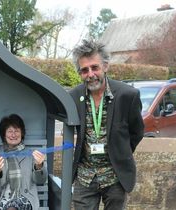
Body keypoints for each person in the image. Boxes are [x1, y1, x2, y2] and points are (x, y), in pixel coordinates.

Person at [69, 40, 144, 210]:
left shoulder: (128, 95)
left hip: (115, 175)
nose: (90, 74)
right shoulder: (73, 96)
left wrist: (120, 151)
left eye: (94, 67)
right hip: (85, 176)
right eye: (84, 70)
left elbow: (137, 132)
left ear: (105, 66)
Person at [0, 114, 47, 210]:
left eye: (17, 131)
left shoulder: (31, 154)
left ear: (22, 133)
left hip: (25, 198)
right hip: (2, 198)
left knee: (12, 208)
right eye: (10, 131)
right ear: (4, 134)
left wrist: (39, 166)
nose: (13, 135)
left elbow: (40, 180)